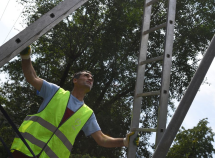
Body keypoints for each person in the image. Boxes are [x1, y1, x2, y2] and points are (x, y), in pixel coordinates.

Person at [10, 46, 138, 158]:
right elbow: (32, 77)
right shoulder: (55, 92)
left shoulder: (87, 114)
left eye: (92, 78)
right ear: (75, 80)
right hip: (25, 152)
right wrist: (26, 56)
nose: (90, 78)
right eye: (86, 75)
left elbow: (102, 139)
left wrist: (124, 141)